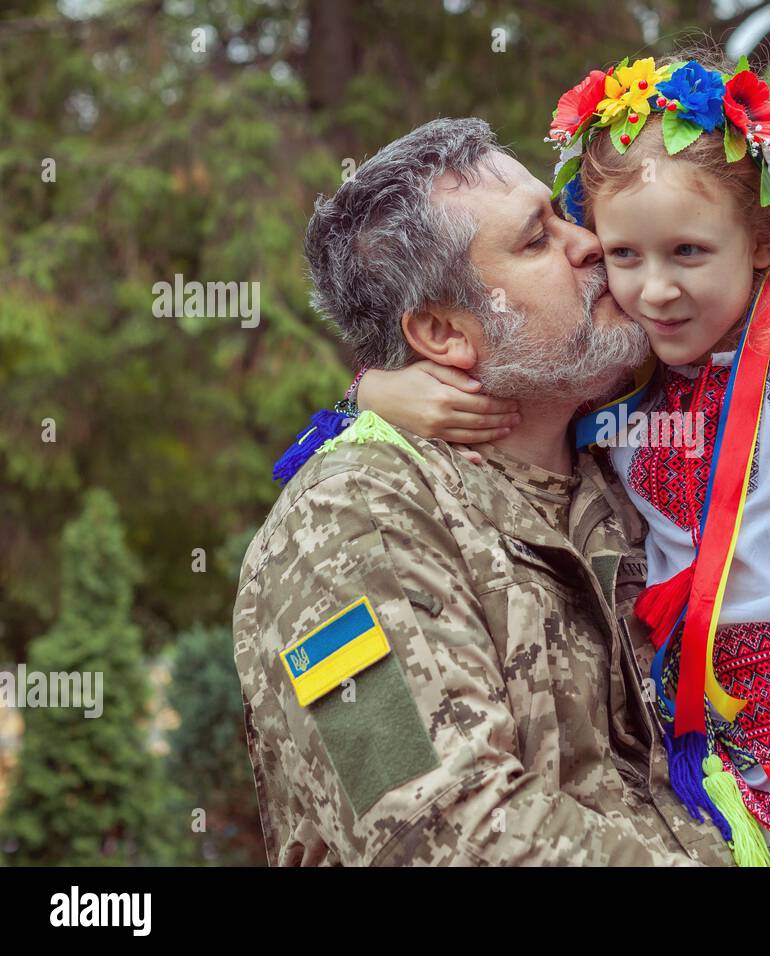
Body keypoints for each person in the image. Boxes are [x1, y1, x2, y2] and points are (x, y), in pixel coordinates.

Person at [342, 51, 770, 868]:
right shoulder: (625, 375)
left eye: (688, 253)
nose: (655, 291)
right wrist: (369, 392)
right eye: (624, 255)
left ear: (758, 242)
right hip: (710, 787)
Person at [235, 116, 741, 865]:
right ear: (443, 333)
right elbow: (435, 830)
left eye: (563, 214)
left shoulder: (634, 469)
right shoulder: (348, 522)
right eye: (537, 240)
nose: (590, 243)